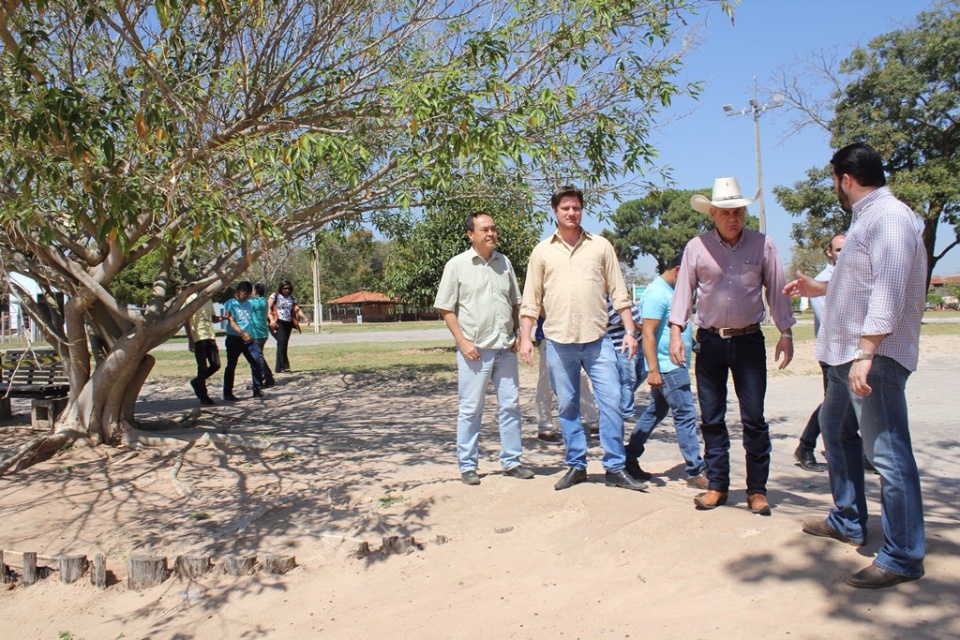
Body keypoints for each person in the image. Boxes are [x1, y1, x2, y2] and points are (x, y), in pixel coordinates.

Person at [785, 142, 926, 588]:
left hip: (873, 356)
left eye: (835, 182)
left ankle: (903, 556)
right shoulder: (866, 220)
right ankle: (847, 518)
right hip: (845, 356)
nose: (836, 189)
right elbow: (860, 281)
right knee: (836, 432)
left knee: (888, 454)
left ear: (845, 179)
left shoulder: (889, 218)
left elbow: (888, 289)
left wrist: (867, 352)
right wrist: (818, 287)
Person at [669, 177, 795, 515]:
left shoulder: (763, 245)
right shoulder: (696, 247)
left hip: (749, 341)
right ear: (712, 213)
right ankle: (718, 486)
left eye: (738, 211)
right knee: (712, 418)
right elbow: (684, 291)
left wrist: (786, 332)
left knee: (754, 418)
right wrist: (675, 332)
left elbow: (777, 288)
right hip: (709, 343)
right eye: (725, 212)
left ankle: (757, 490)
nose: (732, 218)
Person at [519, 185, 646, 492]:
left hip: (598, 340)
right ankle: (577, 466)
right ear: (555, 212)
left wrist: (630, 331)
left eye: (576, 207)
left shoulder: (601, 246)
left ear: (582, 210)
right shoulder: (542, 251)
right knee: (567, 405)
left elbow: (619, 292)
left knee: (612, 401)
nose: (571, 213)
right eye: (565, 208)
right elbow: (531, 299)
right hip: (559, 342)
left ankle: (615, 467)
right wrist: (525, 338)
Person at [434, 212, 533, 485]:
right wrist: (462, 342)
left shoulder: (505, 263)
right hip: (474, 352)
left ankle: (512, 462)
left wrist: (516, 333)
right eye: (484, 229)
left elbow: (515, 301)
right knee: (470, 409)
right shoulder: (457, 265)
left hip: (505, 348)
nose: (491, 234)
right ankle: (467, 466)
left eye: (494, 228)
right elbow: (445, 307)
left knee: (511, 406)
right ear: (471, 234)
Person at [625, 253, 706, 487]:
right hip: (667, 366)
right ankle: (695, 470)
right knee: (685, 415)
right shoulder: (657, 293)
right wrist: (653, 370)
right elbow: (648, 333)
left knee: (654, 412)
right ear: (679, 269)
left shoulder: (672, 292)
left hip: (673, 364)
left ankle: (629, 457)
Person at [794, 233, 845, 472]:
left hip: (854, 352)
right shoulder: (821, 281)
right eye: (838, 250)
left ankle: (862, 452)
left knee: (855, 403)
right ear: (829, 252)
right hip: (833, 353)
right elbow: (830, 321)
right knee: (834, 404)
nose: (842, 254)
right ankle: (806, 445)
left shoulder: (853, 277)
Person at [534, 317, 600, 443]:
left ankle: (594, 423)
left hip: (575, 338)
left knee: (581, 380)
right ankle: (544, 428)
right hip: (550, 337)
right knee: (547, 383)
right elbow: (540, 309)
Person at [222, 281, 265, 401]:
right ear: (238, 292)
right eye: (245, 294)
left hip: (249, 338)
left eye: (249, 294)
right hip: (235, 338)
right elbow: (231, 322)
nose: (247, 297)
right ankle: (227, 392)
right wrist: (242, 333)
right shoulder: (230, 304)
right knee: (231, 365)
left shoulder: (249, 304)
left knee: (256, 361)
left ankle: (257, 389)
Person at [606, 296, 646, 422]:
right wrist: (646, 329)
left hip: (639, 341)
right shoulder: (607, 298)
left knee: (643, 372)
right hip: (622, 345)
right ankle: (626, 411)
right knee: (628, 379)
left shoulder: (622, 295)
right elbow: (621, 321)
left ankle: (621, 401)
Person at [184, 292, 222, 406]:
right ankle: (203, 396)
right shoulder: (191, 299)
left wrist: (222, 317)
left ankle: (196, 382)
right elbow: (186, 320)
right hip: (198, 337)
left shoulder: (209, 299)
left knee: (216, 364)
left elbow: (213, 318)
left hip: (210, 335)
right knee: (202, 367)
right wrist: (190, 339)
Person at [268, 280, 305, 373]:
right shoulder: (275, 296)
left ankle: (278, 367)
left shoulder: (292, 298)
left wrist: (304, 317)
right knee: (282, 341)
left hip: (287, 322)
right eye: (285, 288)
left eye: (289, 288)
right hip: (277, 322)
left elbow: (296, 308)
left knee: (283, 343)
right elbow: (267, 307)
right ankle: (284, 366)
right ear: (281, 288)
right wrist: (272, 320)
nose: (287, 290)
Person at [251, 283, 275, 388]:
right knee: (259, 356)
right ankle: (266, 377)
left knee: (257, 357)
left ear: (255, 291)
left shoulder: (255, 302)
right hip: (263, 333)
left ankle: (267, 377)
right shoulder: (264, 301)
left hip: (257, 334)